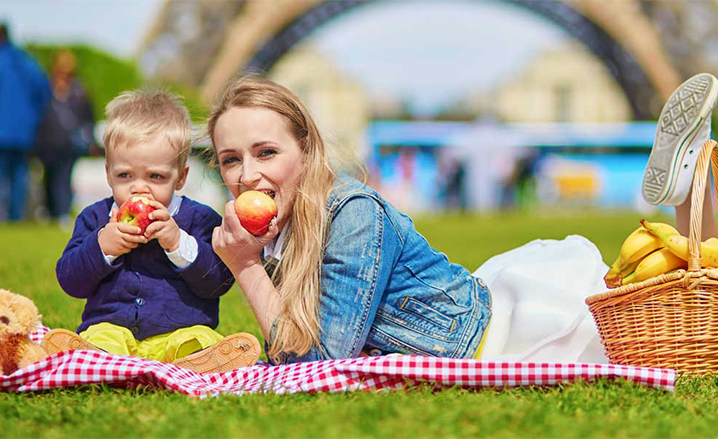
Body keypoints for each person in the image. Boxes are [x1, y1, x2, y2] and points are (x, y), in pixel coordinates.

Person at [205, 74, 718, 365]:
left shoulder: (352, 213)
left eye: (266, 152)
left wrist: (247, 267)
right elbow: (294, 339)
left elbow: (316, 365)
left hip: (505, 336)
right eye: (231, 159)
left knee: (687, 303)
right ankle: (684, 186)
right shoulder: (285, 226)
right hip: (470, 306)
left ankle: (689, 184)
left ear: (306, 149)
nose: (247, 175)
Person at [41, 89, 261, 374]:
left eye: (155, 176)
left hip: (178, 333)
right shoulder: (95, 218)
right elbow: (71, 282)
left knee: (198, 338)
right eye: (124, 176)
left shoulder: (200, 219)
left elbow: (217, 283)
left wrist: (177, 242)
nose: (139, 188)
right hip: (115, 333)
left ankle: (202, 359)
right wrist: (102, 248)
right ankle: (94, 357)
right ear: (108, 173)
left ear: (181, 177)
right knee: (101, 335)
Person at [0, 23, 51, 222]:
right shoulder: (27, 63)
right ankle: (15, 219)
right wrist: (33, 118)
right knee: (19, 179)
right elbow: (44, 91)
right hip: (23, 133)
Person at [35, 50, 95, 223]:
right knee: (48, 178)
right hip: (47, 142)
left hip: (69, 143)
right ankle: (50, 211)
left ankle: (62, 212)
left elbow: (87, 117)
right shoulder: (45, 89)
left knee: (63, 178)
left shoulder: (79, 91)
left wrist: (89, 139)